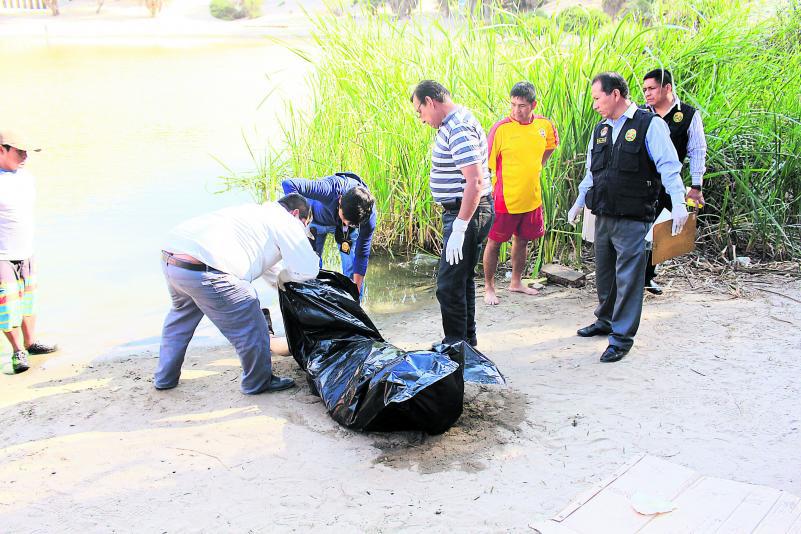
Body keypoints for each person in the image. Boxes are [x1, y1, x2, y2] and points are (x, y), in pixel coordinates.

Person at [566, 72, 688, 363]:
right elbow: (590, 173)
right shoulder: (601, 130)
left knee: (629, 277)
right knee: (605, 273)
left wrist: (680, 203)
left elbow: (669, 167)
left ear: (615, 95)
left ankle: (621, 338)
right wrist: (579, 202)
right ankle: (605, 320)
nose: (594, 104)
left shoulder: (650, 126)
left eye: (597, 98)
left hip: (634, 216)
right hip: (604, 214)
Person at [154, 193, 320, 394]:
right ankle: (258, 382)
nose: (303, 230)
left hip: (173, 259)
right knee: (252, 319)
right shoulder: (286, 221)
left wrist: (284, 286)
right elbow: (308, 269)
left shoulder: (258, 215)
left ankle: (165, 378)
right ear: (296, 214)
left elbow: (269, 270)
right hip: (205, 268)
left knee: (181, 317)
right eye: (305, 225)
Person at [410, 80, 494, 347]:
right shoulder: (455, 122)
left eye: (419, 111)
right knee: (462, 280)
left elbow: (475, 181)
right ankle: (466, 342)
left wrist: (460, 226)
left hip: (466, 212)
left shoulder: (457, 127)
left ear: (430, 102)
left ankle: (456, 346)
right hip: (466, 212)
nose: (421, 120)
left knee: (447, 286)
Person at [483, 81, 559, 305]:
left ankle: (516, 282)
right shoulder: (501, 129)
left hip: (531, 197)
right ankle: (489, 287)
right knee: (494, 243)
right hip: (505, 199)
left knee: (523, 240)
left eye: (522, 105)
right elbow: (485, 164)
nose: (516, 110)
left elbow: (550, 147)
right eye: (513, 104)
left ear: (533, 104)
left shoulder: (544, 125)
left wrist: (536, 167)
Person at [641, 68, 708, 294]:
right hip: (640, 183)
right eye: (644, 90)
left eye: (651, 88)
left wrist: (696, 186)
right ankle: (632, 277)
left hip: (669, 183)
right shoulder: (641, 114)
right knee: (638, 228)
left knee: (660, 229)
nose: (647, 94)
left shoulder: (687, 115)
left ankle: (648, 276)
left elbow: (697, 151)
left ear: (667, 88)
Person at [0, 130, 58, 375]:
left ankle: (30, 343)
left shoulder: (26, 177)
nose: (25, 156)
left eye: (27, 152)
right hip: (2, 255)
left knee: (28, 301)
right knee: (7, 306)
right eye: (20, 151)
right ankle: (16, 351)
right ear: (2, 149)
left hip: (26, 250)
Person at [281, 173, 375, 296]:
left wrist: (355, 295)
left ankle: (354, 306)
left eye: (351, 223)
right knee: (311, 268)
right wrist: (300, 218)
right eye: (344, 218)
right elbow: (289, 184)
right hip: (315, 221)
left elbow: (362, 255)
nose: (346, 223)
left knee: (351, 268)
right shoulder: (330, 189)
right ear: (340, 200)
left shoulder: (367, 216)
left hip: (344, 233)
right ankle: (315, 302)